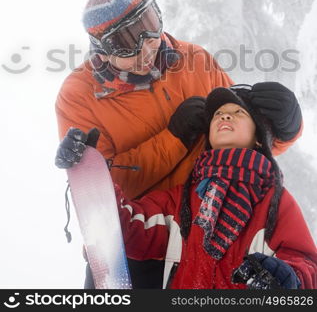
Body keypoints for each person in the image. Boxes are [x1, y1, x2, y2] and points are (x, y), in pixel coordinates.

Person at [55, 0, 303, 287]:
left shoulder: (196, 60)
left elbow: (244, 139)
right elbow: (102, 192)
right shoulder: (79, 96)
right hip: (135, 242)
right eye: (126, 43)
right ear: (103, 49)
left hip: (211, 231)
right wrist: (173, 140)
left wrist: (287, 127)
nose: (147, 49)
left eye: (148, 28)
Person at [105, 84, 317, 289]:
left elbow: (305, 263)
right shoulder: (182, 199)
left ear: (259, 139)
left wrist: (289, 279)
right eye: (218, 114)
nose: (224, 116)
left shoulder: (274, 202)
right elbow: (130, 228)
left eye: (238, 112)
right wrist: (98, 179)